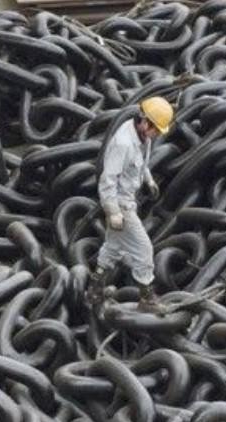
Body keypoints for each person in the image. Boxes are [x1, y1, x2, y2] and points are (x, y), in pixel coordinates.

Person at [89, 97, 174, 315]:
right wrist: (113, 211)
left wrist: (149, 180)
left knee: (113, 247)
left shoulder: (141, 136)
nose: (157, 135)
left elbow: (142, 162)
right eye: (156, 129)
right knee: (144, 249)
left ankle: (95, 289)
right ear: (145, 122)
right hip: (121, 205)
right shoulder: (123, 143)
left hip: (128, 200)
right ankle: (146, 298)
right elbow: (107, 180)